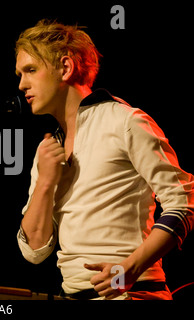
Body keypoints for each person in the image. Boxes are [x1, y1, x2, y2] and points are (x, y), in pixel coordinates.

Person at [15, 19, 194, 300]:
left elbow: (183, 204)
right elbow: (34, 251)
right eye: (20, 74)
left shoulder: (125, 121)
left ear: (65, 67)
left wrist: (129, 269)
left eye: (31, 70)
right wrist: (45, 183)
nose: (22, 84)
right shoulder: (48, 149)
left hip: (135, 295)